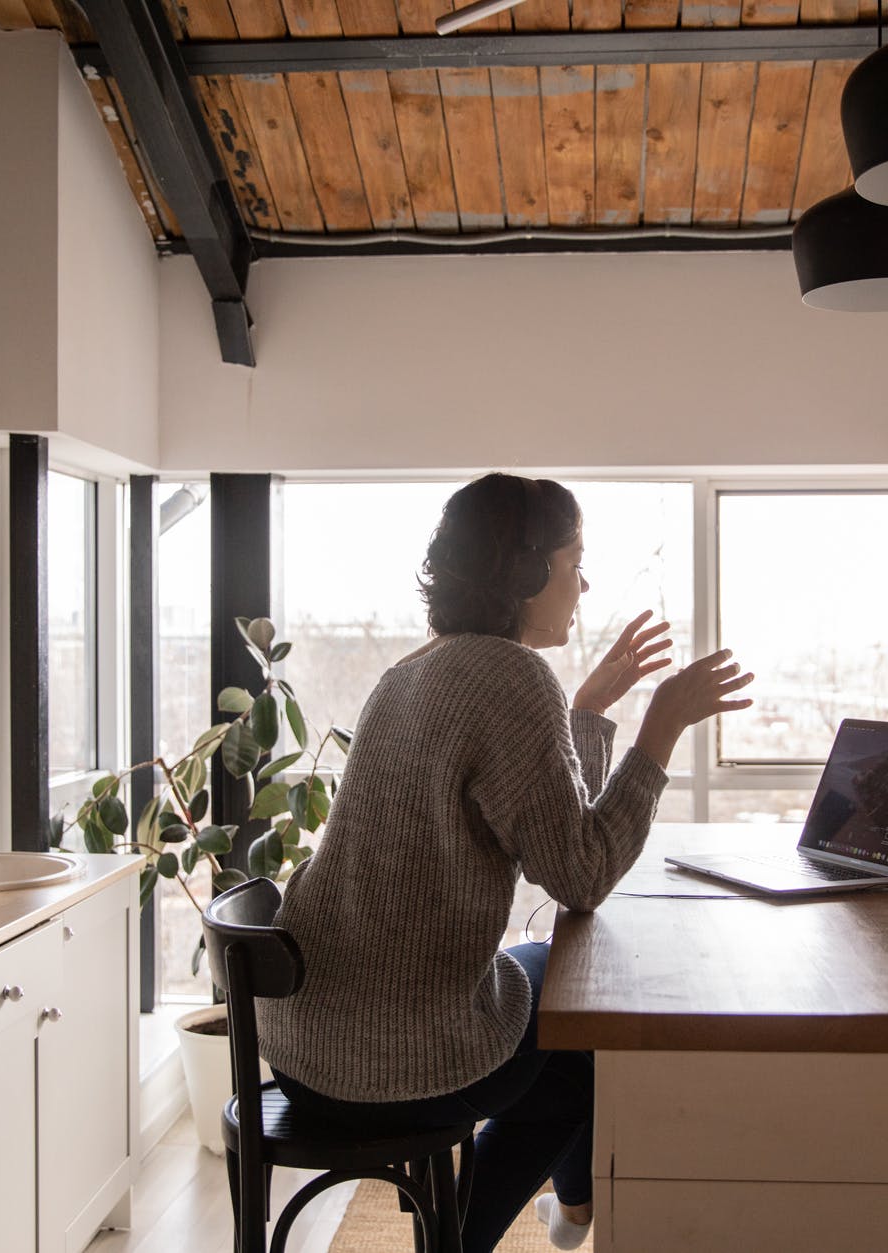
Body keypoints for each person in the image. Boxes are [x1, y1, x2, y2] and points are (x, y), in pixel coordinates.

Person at [258, 473, 752, 1251]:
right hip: (392, 1058)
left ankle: (571, 1212)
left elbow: (547, 837)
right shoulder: (512, 677)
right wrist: (661, 725)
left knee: (555, 975)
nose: (583, 583)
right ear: (524, 572)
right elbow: (581, 875)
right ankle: (464, 1239)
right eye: (573, 561)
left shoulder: (416, 669)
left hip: (303, 1038)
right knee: (589, 1046)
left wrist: (586, 713)